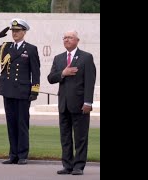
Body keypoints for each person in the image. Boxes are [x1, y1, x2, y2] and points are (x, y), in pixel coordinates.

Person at [0, 18, 41, 165]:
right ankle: (13, 154)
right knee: (11, 123)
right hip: (7, 90)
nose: (15, 33)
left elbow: (36, 71)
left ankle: (22, 155)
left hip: (22, 91)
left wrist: (35, 90)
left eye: (18, 31)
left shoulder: (31, 49)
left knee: (22, 123)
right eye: (13, 31)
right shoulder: (5, 47)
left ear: (24, 32)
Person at [47, 30, 96, 175]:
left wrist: (88, 102)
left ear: (77, 40)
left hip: (80, 104)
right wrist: (63, 73)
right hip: (63, 105)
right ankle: (67, 165)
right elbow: (51, 78)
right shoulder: (59, 58)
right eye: (65, 38)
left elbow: (90, 82)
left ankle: (78, 166)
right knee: (65, 136)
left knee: (80, 137)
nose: (66, 40)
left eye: (70, 37)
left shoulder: (86, 58)